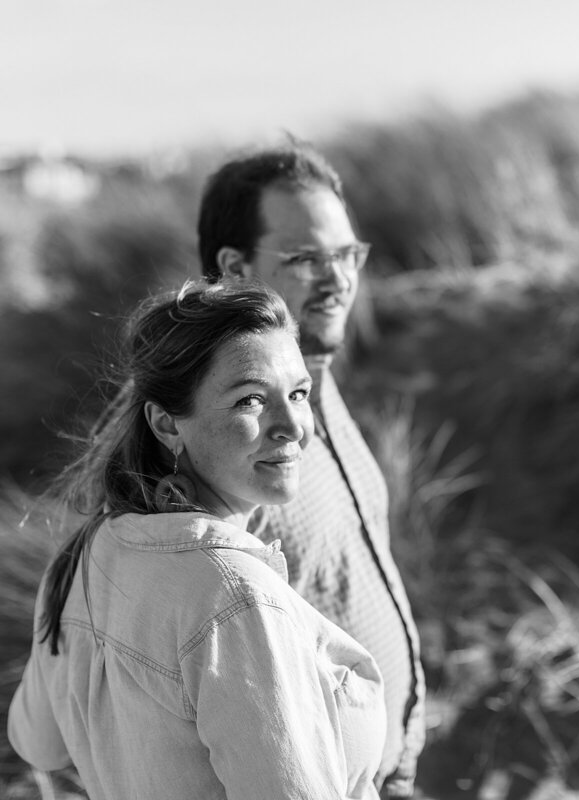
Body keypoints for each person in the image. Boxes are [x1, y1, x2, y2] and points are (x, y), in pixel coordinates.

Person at [7, 282, 387, 799]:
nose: (293, 426)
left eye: (298, 393)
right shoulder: (236, 598)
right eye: (250, 399)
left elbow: (37, 743)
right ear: (166, 424)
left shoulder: (85, 555)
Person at [198, 144, 425, 797]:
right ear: (235, 268)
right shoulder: (207, 430)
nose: (339, 280)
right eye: (305, 259)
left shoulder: (311, 375)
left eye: (347, 254)